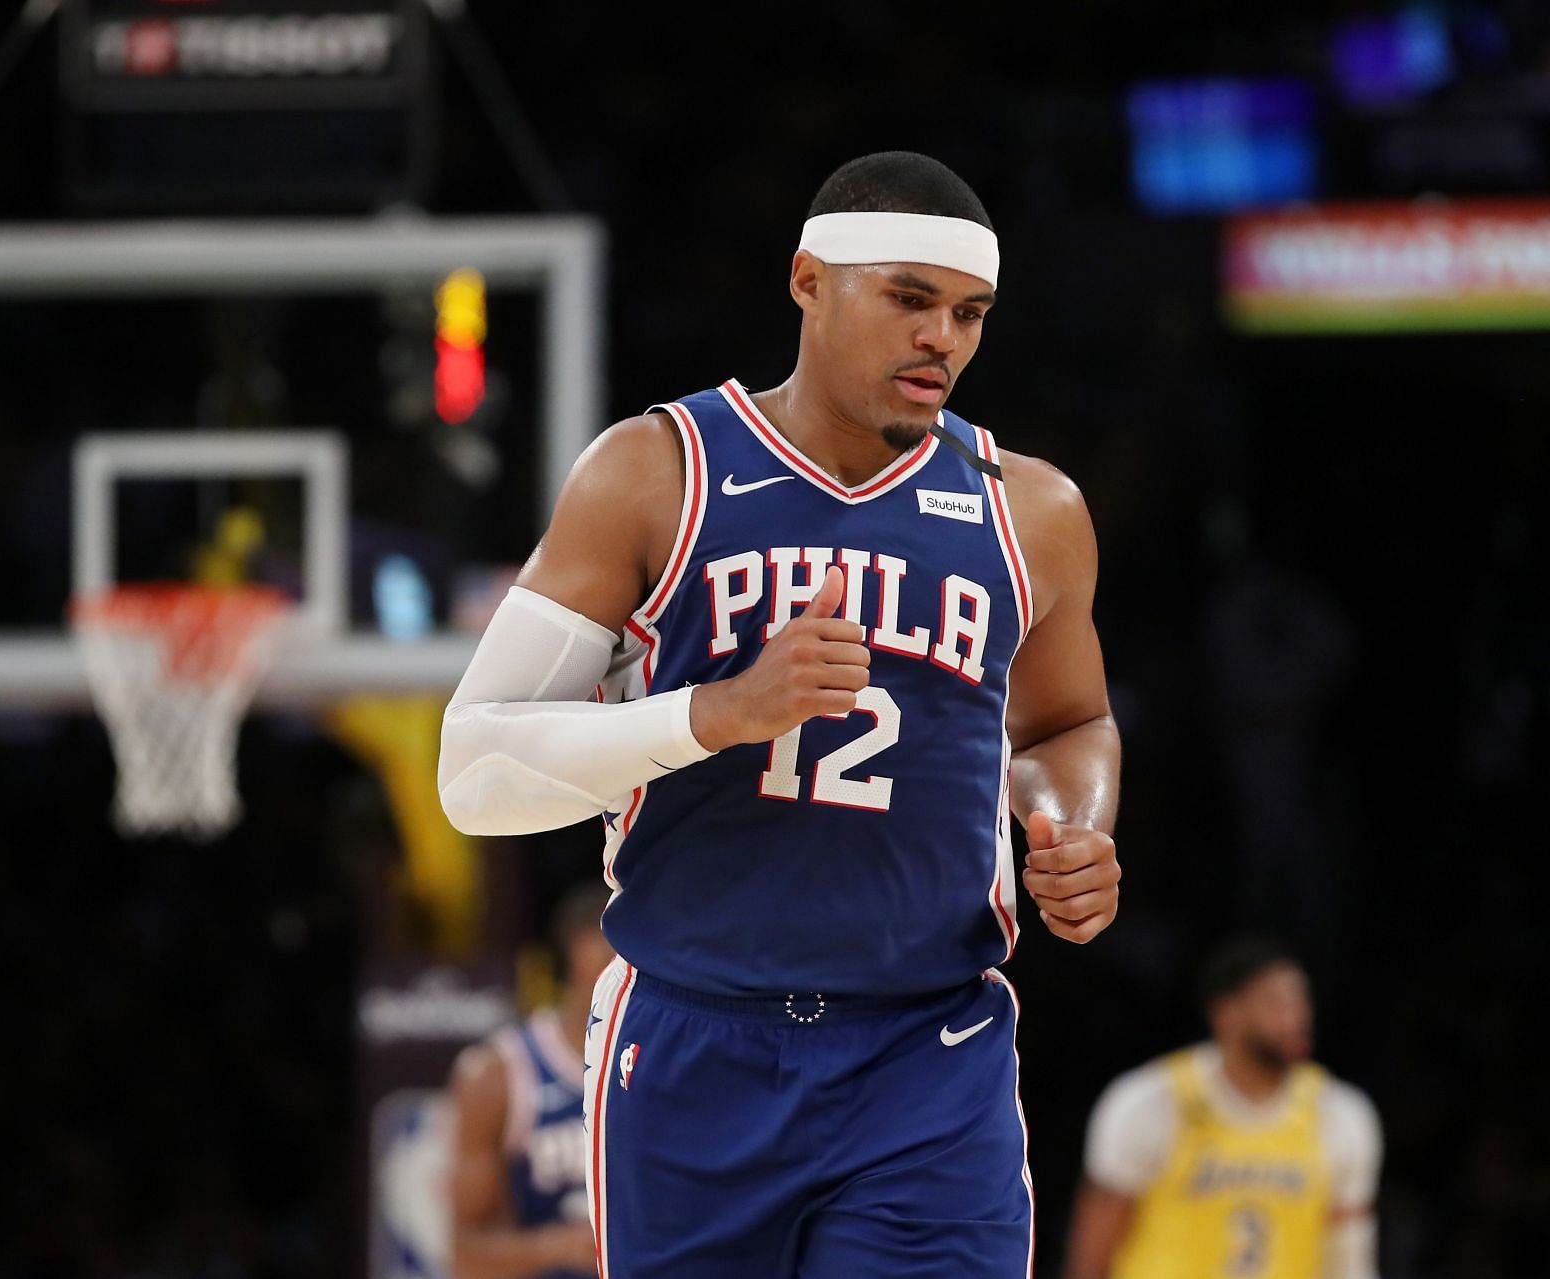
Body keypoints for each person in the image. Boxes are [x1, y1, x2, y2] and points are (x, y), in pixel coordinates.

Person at [439, 150, 1122, 1276]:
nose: (941, 338)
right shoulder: (655, 472)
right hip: (694, 1042)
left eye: (969, 313)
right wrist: (712, 713)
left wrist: (1075, 823)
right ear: (808, 280)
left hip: (927, 1050)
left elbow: (1065, 728)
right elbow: (473, 772)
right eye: (910, 299)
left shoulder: (1034, 511)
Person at [1062, 939, 1382, 1279]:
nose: (1295, 1015)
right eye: (1275, 1001)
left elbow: (1350, 1262)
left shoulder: (1340, 1113)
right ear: (1226, 1013)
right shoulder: (1150, 1101)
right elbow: (1091, 1255)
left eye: (1300, 999)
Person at [446, 885, 614, 1279]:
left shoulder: (660, 1059)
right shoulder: (499, 1072)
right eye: (610, 951)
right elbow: (464, 1254)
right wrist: (559, 1246)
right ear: (577, 949)